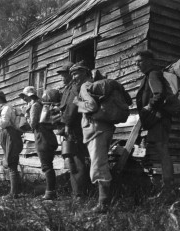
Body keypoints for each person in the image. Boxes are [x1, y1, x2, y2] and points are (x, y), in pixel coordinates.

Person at [71, 62, 115, 213]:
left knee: (98, 166)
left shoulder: (86, 86)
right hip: (104, 128)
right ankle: (104, 202)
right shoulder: (94, 85)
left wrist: (77, 103)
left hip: (96, 130)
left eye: (76, 74)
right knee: (100, 163)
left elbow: (92, 107)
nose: (73, 77)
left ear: (84, 73)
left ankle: (103, 205)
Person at [134, 50, 173, 195]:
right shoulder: (148, 75)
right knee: (161, 150)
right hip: (156, 119)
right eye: (136, 62)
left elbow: (159, 94)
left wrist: (149, 106)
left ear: (150, 61)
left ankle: (168, 189)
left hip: (159, 119)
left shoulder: (153, 74)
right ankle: (166, 187)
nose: (137, 64)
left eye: (140, 61)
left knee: (163, 151)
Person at [58, 61, 89, 200]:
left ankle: (79, 194)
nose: (63, 78)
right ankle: (76, 192)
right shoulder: (68, 88)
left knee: (77, 160)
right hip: (70, 127)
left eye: (65, 75)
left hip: (74, 129)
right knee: (72, 159)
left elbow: (71, 109)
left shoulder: (75, 88)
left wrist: (66, 125)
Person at [19, 86, 58, 200]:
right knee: (48, 164)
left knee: (46, 165)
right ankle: (50, 191)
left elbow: (32, 124)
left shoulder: (35, 105)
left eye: (24, 97)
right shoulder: (40, 104)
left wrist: (25, 114)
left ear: (29, 96)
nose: (24, 99)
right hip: (47, 136)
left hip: (42, 137)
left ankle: (50, 192)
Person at [0, 90, 23, 200]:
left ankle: (14, 193)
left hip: (9, 133)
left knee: (11, 162)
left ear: (1, 98)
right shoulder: (0, 109)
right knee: (10, 162)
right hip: (4, 134)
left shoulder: (6, 108)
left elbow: (3, 123)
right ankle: (14, 191)